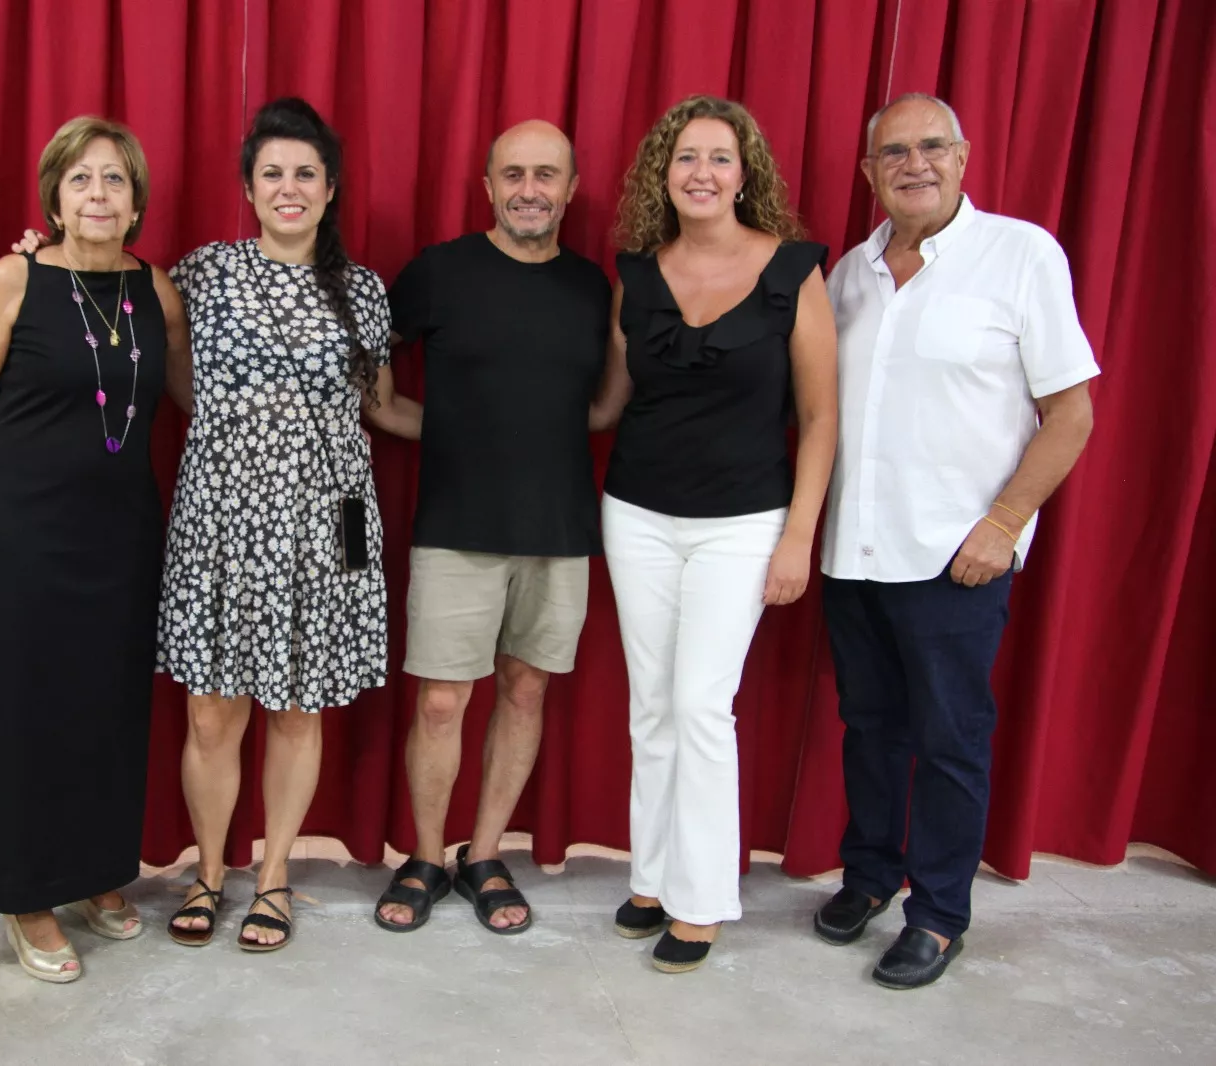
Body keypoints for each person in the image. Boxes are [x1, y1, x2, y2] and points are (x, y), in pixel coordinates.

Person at [812, 93, 1098, 990]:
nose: (914, 164)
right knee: (869, 727)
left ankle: (938, 913)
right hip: (851, 553)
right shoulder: (846, 275)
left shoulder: (1020, 255)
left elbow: (1071, 413)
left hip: (954, 559)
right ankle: (870, 875)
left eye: (932, 146)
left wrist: (1004, 524)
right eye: (893, 152)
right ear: (869, 173)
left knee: (950, 738)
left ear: (964, 156)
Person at [0, 115, 191, 983]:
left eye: (113, 179)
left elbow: (194, 398)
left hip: (123, 534)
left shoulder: (159, 289)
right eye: (80, 180)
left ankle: (97, 875)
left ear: (137, 197)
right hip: (23, 533)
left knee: (107, 709)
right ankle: (25, 895)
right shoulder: (15, 278)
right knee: (24, 712)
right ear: (56, 199)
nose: (98, 194)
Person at [589, 95, 838, 973]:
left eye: (719, 158)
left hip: (744, 521)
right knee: (651, 705)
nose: (701, 172)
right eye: (685, 157)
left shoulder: (794, 272)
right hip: (638, 514)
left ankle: (701, 901)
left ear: (745, 175)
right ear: (665, 173)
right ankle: (651, 877)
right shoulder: (638, 274)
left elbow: (819, 413)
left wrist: (798, 535)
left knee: (700, 705)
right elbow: (613, 405)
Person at [154, 97, 402, 953]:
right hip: (220, 518)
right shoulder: (203, 274)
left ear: (329, 189)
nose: (289, 189)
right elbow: (158, 361)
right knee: (211, 715)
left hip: (334, 520)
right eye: (273, 174)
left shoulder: (365, 292)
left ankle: (275, 876)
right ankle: (211, 871)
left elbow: (382, 410)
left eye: (305, 174)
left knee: (299, 706)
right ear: (250, 189)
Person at [371, 120, 611, 936]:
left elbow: (608, 404)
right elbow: (373, 374)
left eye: (546, 175)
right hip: (455, 525)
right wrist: (437, 429)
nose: (529, 189)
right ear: (488, 187)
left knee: (526, 688)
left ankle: (484, 853)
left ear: (572, 189)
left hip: (559, 524)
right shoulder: (439, 272)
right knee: (441, 701)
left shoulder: (592, 287)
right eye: (513, 174)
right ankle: (429, 856)